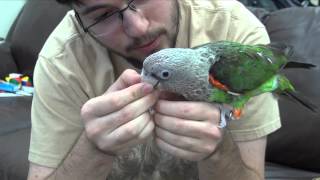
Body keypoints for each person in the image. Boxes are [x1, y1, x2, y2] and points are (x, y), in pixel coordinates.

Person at [27, 0, 281, 179]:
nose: (137, 27)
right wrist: (95, 149)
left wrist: (218, 151)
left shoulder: (235, 31)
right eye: (103, 16)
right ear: (77, 17)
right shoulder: (61, 61)